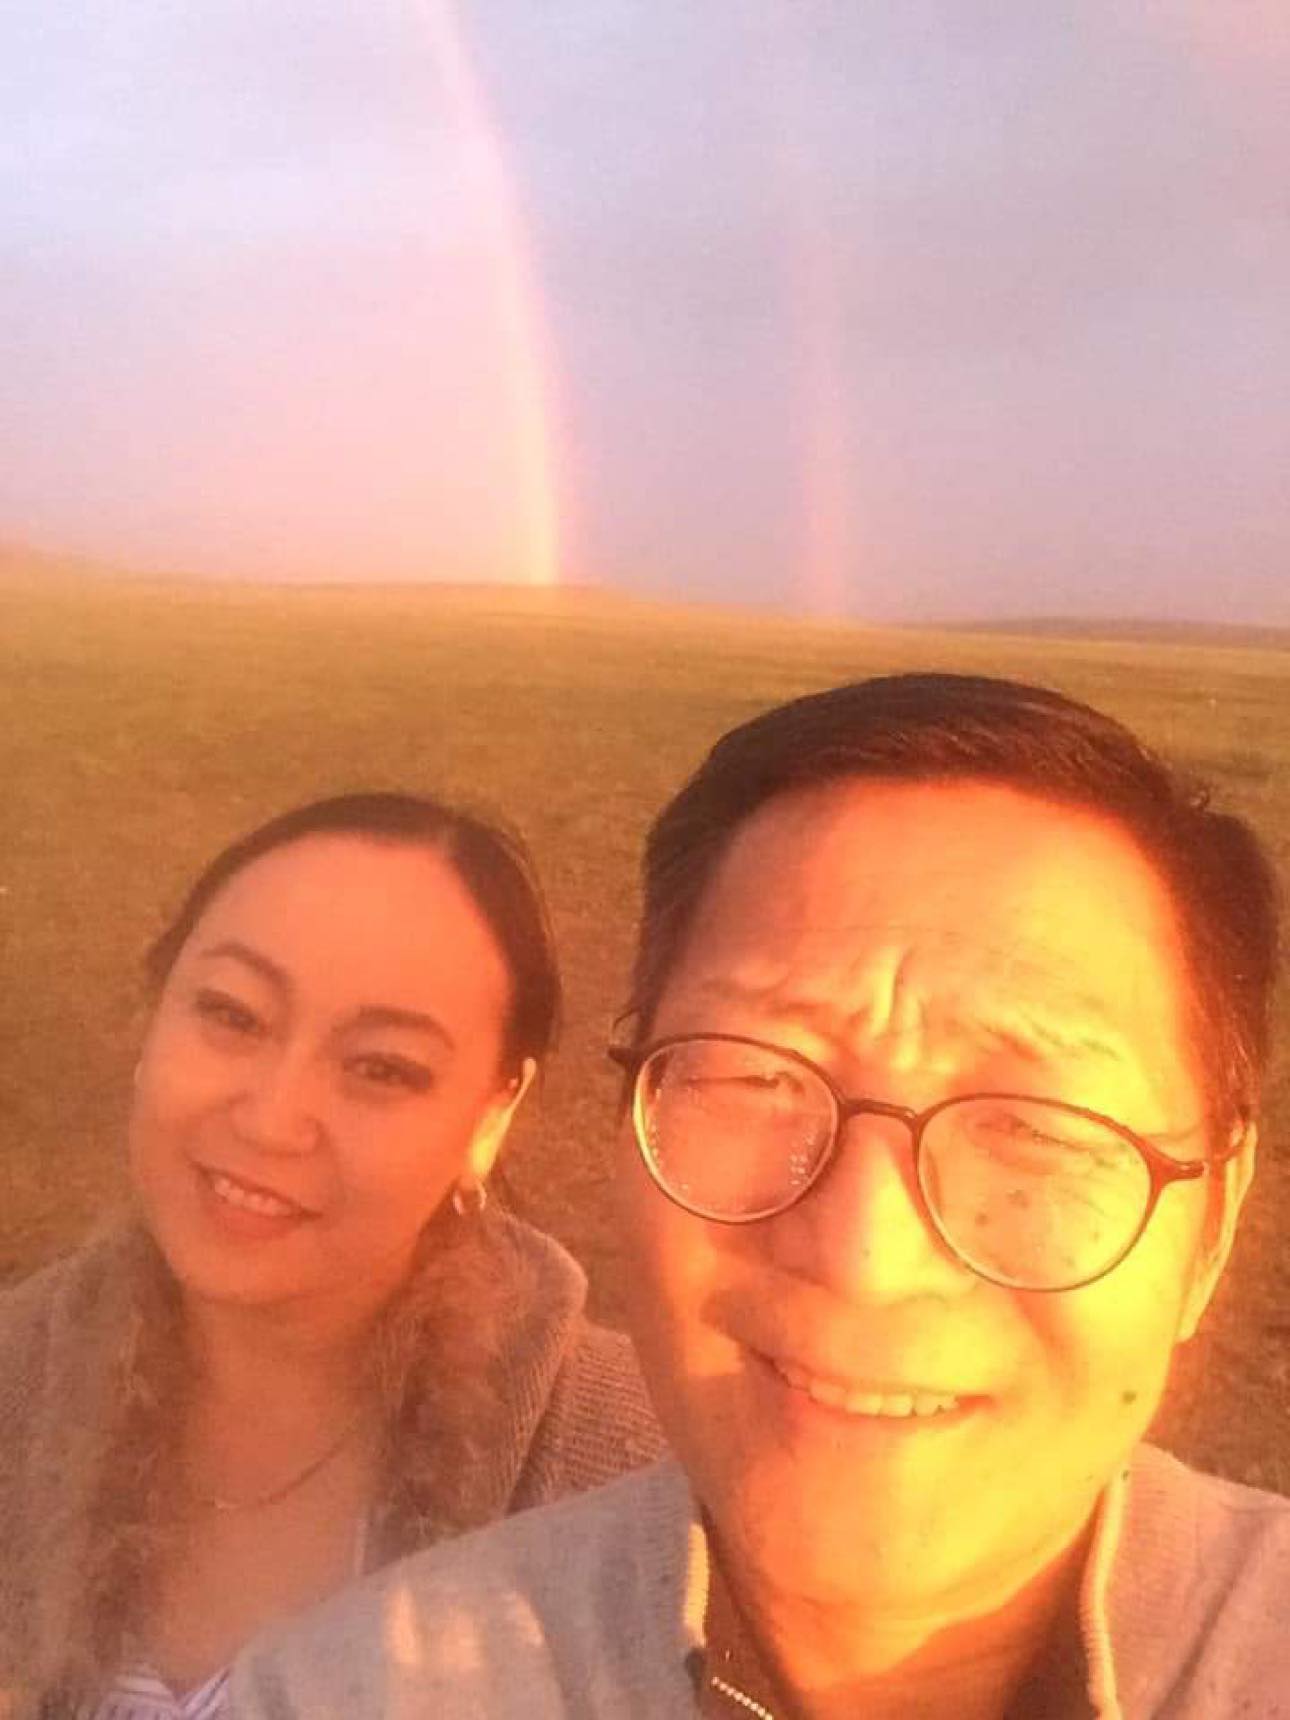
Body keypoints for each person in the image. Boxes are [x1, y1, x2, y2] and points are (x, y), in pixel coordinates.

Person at [234, 675, 1288, 1720]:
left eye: (1032, 1126)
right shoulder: (350, 1692)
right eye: (756, 1078)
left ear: (1211, 1229)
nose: (864, 1251)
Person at [0, 792, 662, 1719]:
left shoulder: (646, 1486)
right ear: (155, 1016)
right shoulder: (19, 1379)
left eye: (382, 1067)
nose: (272, 1120)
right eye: (232, 1014)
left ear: (493, 1115)